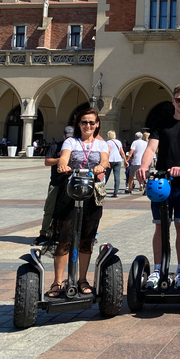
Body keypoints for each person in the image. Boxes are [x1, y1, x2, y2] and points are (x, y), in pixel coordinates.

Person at [136, 84, 180, 290]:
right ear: (173, 101)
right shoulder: (162, 123)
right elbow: (151, 148)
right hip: (161, 183)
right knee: (160, 226)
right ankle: (158, 269)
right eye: (178, 99)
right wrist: (143, 165)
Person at [49, 109, 109, 297]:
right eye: (84, 122)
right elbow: (65, 156)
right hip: (70, 191)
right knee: (64, 237)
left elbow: (105, 161)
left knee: (86, 238)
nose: (88, 126)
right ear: (79, 124)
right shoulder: (71, 142)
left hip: (91, 193)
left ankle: (82, 279)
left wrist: (101, 166)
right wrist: (62, 164)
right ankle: (58, 282)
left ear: (97, 124)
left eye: (92, 123)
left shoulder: (102, 144)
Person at [31, 126, 73, 246]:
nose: (68, 139)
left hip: (70, 183)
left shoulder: (76, 147)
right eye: (67, 137)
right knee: (50, 208)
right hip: (56, 183)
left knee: (69, 210)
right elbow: (47, 161)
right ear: (64, 136)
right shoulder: (56, 146)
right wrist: (61, 159)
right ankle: (44, 234)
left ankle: (64, 234)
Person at [105, 130, 127, 198]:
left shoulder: (108, 142)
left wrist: (107, 160)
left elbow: (108, 151)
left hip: (110, 160)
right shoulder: (118, 142)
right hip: (118, 160)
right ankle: (116, 192)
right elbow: (122, 152)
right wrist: (125, 161)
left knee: (106, 176)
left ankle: (101, 190)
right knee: (117, 176)